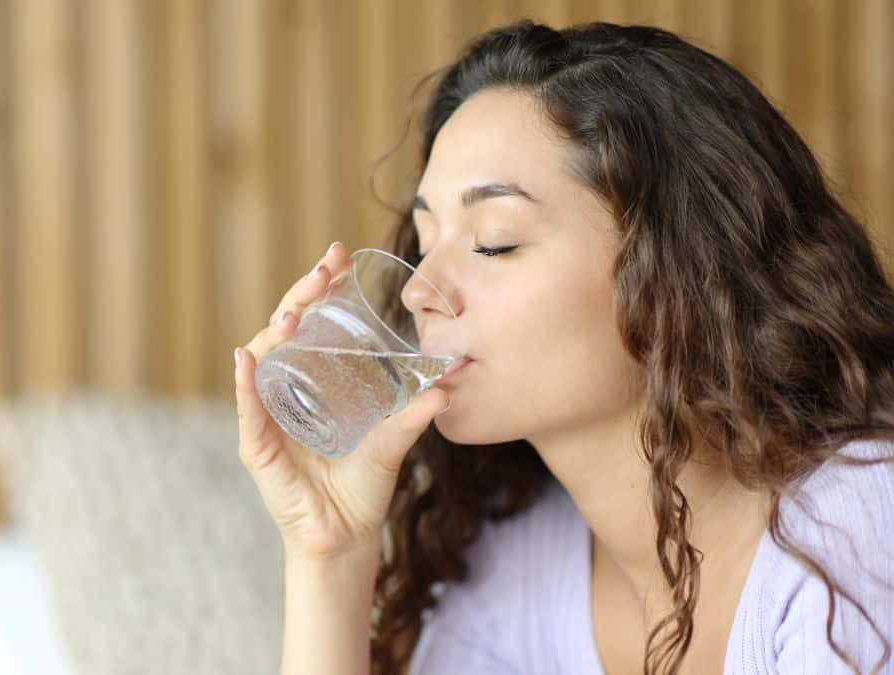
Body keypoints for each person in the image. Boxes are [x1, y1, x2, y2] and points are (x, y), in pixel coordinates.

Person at [233, 19, 894, 675]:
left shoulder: (858, 522)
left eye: (494, 240)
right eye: (424, 239)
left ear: (677, 270)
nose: (417, 292)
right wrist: (331, 558)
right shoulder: (517, 571)